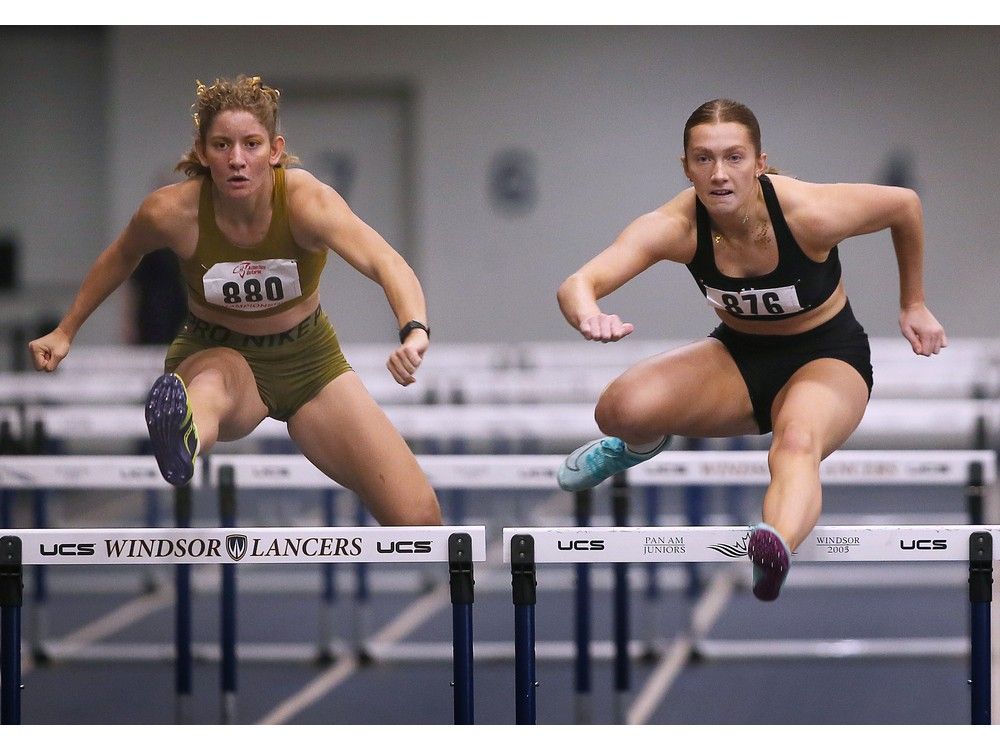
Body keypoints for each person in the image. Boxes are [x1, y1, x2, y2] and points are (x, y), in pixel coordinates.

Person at [556, 98, 946, 601]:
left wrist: (913, 303)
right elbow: (578, 282)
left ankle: (775, 543)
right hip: (739, 358)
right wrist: (589, 313)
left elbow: (904, 205)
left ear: (760, 163)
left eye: (734, 157)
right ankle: (637, 445)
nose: (719, 174)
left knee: (797, 442)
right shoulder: (675, 226)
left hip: (827, 357)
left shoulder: (809, 214)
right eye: (704, 159)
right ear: (686, 167)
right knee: (619, 409)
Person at [28, 75, 441, 527]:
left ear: (275, 150)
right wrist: (66, 330)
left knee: (418, 518)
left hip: (309, 361)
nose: (237, 160)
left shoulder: (307, 202)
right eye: (222, 146)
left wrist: (414, 329)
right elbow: (121, 256)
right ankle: (182, 434)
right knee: (212, 387)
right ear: (203, 152)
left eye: (252, 144)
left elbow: (386, 262)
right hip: (218, 349)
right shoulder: (173, 213)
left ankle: (187, 427)